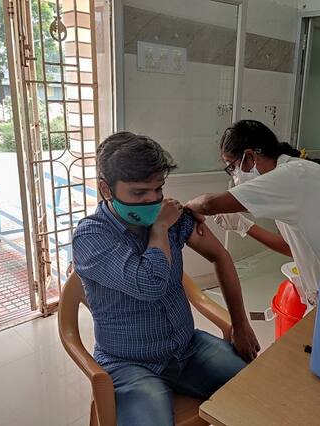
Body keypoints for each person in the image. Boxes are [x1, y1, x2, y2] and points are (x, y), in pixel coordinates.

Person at [72, 132, 259, 426]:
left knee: (261, 394)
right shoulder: (91, 237)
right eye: (139, 193)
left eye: (158, 188)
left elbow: (220, 255)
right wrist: (159, 229)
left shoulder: (171, 216)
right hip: (129, 363)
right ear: (106, 189)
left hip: (188, 347)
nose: (152, 200)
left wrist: (241, 323)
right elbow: (151, 284)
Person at [185, 120, 320, 306]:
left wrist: (186, 207)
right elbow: (291, 248)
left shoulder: (291, 176)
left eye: (231, 166)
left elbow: (208, 204)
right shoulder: (292, 175)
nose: (234, 176)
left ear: (250, 157)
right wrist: (244, 226)